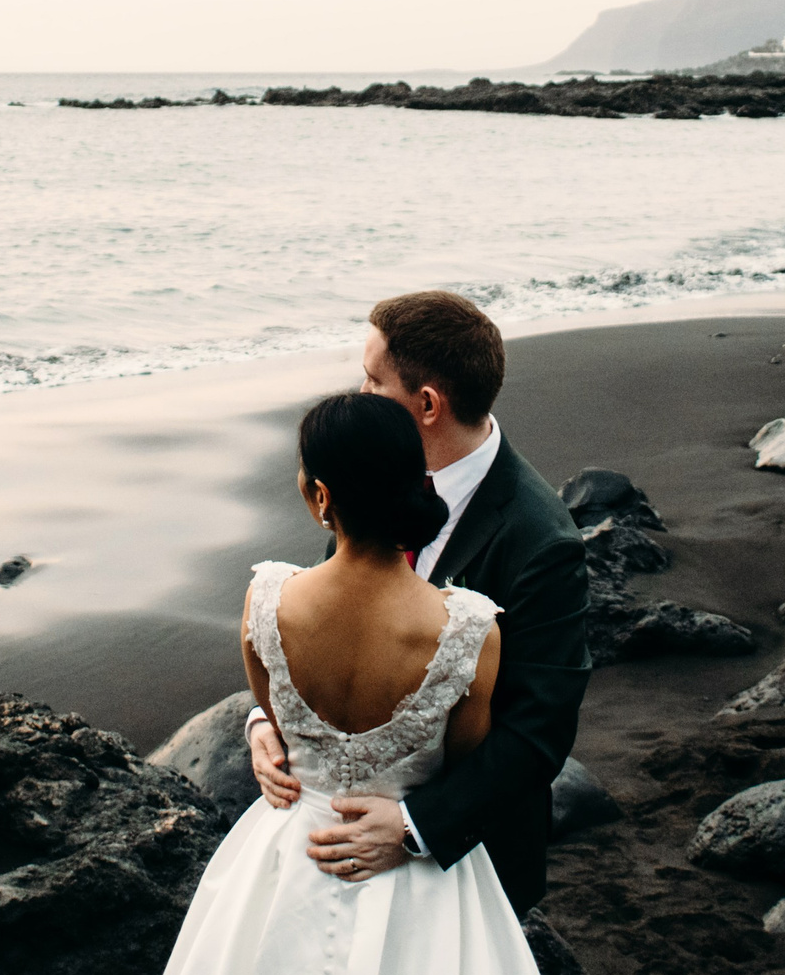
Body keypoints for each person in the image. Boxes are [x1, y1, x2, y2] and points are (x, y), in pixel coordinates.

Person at [120, 392, 577, 975]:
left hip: (292, 849)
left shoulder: (268, 597)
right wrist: (269, 734)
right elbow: (462, 754)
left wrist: (279, 734)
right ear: (416, 484)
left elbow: (275, 701)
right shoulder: (470, 632)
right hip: (415, 883)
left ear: (321, 497)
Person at [249, 290, 590, 914]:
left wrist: (413, 827)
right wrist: (268, 728)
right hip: (331, 847)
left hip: (464, 859)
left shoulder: (542, 542)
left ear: (427, 404)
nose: (358, 392)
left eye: (372, 379)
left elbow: (539, 732)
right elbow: (330, 616)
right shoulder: (373, 466)